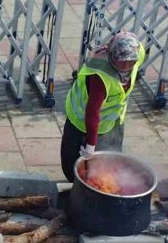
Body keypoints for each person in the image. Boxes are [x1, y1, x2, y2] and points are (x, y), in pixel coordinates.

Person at [60, 31, 146, 182]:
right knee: (72, 162)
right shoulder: (100, 76)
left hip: (112, 119)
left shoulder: (137, 53)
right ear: (112, 56)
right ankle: (77, 186)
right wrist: (90, 146)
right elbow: (92, 112)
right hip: (81, 119)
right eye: (121, 61)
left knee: (110, 163)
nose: (126, 66)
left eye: (131, 61)